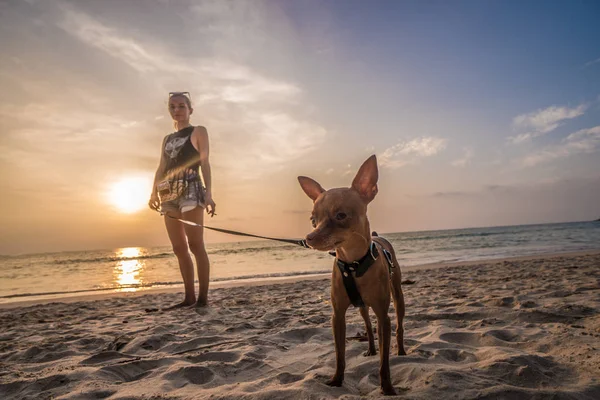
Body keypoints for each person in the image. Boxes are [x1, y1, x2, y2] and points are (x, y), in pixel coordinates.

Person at [148, 92, 216, 309]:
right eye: (172, 107)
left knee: (196, 245)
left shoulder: (198, 131)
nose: (177, 110)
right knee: (178, 248)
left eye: (181, 106)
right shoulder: (167, 139)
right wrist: (152, 192)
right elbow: (161, 166)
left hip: (191, 189)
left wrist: (209, 193)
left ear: (190, 109)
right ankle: (188, 298)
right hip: (167, 193)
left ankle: (203, 299)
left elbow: (204, 162)